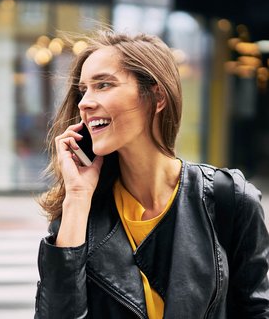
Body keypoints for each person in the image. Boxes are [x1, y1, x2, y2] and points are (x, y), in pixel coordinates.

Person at [34, 30, 269, 318]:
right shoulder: (78, 212)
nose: (84, 103)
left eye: (104, 84)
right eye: (84, 90)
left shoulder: (229, 199)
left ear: (157, 96)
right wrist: (78, 197)